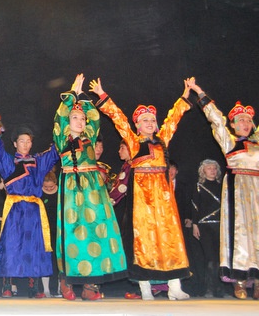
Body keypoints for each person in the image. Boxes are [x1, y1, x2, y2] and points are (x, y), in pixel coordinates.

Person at [90, 76, 192, 301]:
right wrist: (103, 96)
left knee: (170, 237)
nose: (149, 123)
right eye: (144, 120)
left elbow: (173, 120)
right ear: (137, 125)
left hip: (163, 198)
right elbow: (119, 120)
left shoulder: (162, 140)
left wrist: (184, 97)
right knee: (144, 239)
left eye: (152, 120)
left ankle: (174, 285)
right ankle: (145, 286)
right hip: (142, 199)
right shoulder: (134, 142)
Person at [53, 74, 128, 301]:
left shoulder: (90, 137)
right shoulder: (61, 138)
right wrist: (72, 95)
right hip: (70, 186)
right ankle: (66, 279)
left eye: (82, 119)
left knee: (95, 229)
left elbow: (95, 117)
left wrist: (84, 98)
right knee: (71, 232)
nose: (80, 121)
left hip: (92, 188)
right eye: (75, 118)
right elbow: (59, 117)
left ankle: (90, 283)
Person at [188, 80, 259, 300]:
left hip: (257, 189)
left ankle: (257, 281)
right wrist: (200, 93)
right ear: (234, 125)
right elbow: (216, 120)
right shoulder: (229, 142)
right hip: (239, 190)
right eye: (240, 120)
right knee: (239, 233)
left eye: (248, 120)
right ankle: (240, 281)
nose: (245, 123)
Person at [0, 113, 59, 298]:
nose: (25, 144)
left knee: (34, 246)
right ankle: (7, 285)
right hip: (15, 208)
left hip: (34, 209)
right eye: (22, 141)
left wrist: (62, 129)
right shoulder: (9, 162)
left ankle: (34, 286)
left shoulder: (38, 161)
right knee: (11, 245)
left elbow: (54, 154)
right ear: (15, 144)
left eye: (28, 141)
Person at [191, 159, 224, 298]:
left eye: (214, 168)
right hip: (204, 225)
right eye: (209, 168)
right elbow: (195, 207)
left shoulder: (223, 186)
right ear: (203, 171)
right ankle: (209, 288)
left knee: (219, 258)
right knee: (210, 257)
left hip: (221, 225)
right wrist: (195, 225)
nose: (212, 171)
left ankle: (218, 288)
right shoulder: (199, 186)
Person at [40, 168, 61, 298]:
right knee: (46, 258)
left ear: (55, 183)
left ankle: (59, 288)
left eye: (51, 187)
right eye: (45, 187)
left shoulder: (61, 192)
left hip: (58, 229)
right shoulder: (39, 193)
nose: (48, 189)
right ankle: (45, 289)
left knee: (58, 259)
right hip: (44, 229)